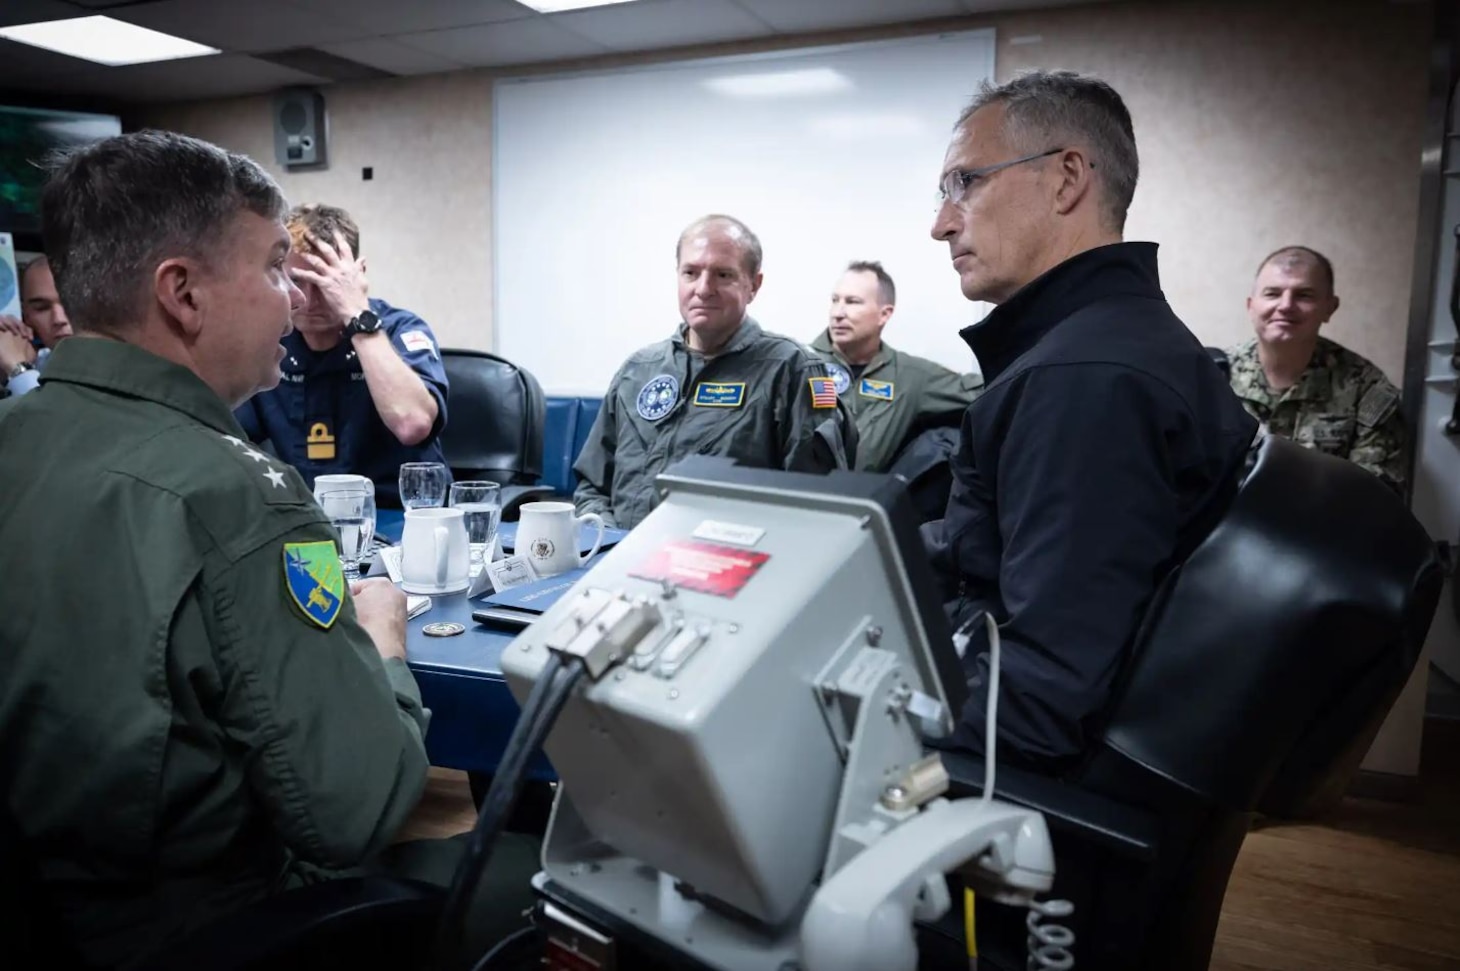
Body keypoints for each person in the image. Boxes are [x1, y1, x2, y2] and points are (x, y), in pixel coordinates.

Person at [0, 131, 532, 970]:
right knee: (536, 884)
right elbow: (362, 805)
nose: (291, 301)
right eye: (275, 268)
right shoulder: (242, 501)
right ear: (182, 293)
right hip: (200, 929)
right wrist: (386, 645)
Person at [923, 71, 1258, 770]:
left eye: (966, 183)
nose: (941, 223)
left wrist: (847, 721)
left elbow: (1035, 699)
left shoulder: (1083, 382)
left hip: (1019, 799)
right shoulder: (1110, 345)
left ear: (1066, 178)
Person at [573, 214, 855, 529]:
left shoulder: (793, 370)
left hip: (723, 568)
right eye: (690, 273)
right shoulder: (638, 371)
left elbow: (813, 509)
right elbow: (592, 487)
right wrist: (605, 541)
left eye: (723, 275)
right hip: (617, 561)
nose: (704, 289)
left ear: (754, 285)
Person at [234, 203, 449, 506]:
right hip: (311, 523)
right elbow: (223, 439)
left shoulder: (400, 329)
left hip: (400, 519)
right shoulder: (269, 337)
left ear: (356, 275)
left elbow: (412, 423)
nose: (307, 300)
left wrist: (356, 315)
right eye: (296, 281)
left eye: (325, 282)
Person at [1226, 246, 1406, 493]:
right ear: (1251, 305)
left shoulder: (1367, 390)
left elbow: (1373, 498)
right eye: (1272, 294)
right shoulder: (1211, 376)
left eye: (1304, 295)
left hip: (1322, 529)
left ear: (1330, 308)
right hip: (1222, 529)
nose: (1286, 305)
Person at [811, 259, 981, 472]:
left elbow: (986, 389)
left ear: (885, 314)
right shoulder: (802, 365)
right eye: (835, 300)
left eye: (852, 302)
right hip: (800, 497)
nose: (838, 312)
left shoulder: (909, 376)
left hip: (863, 500)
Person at [0, 255, 72, 397]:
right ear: (26, 315)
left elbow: (54, 418)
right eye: (41, 308)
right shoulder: (36, 362)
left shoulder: (120, 366)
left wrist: (19, 370)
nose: (58, 319)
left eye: (68, 303)